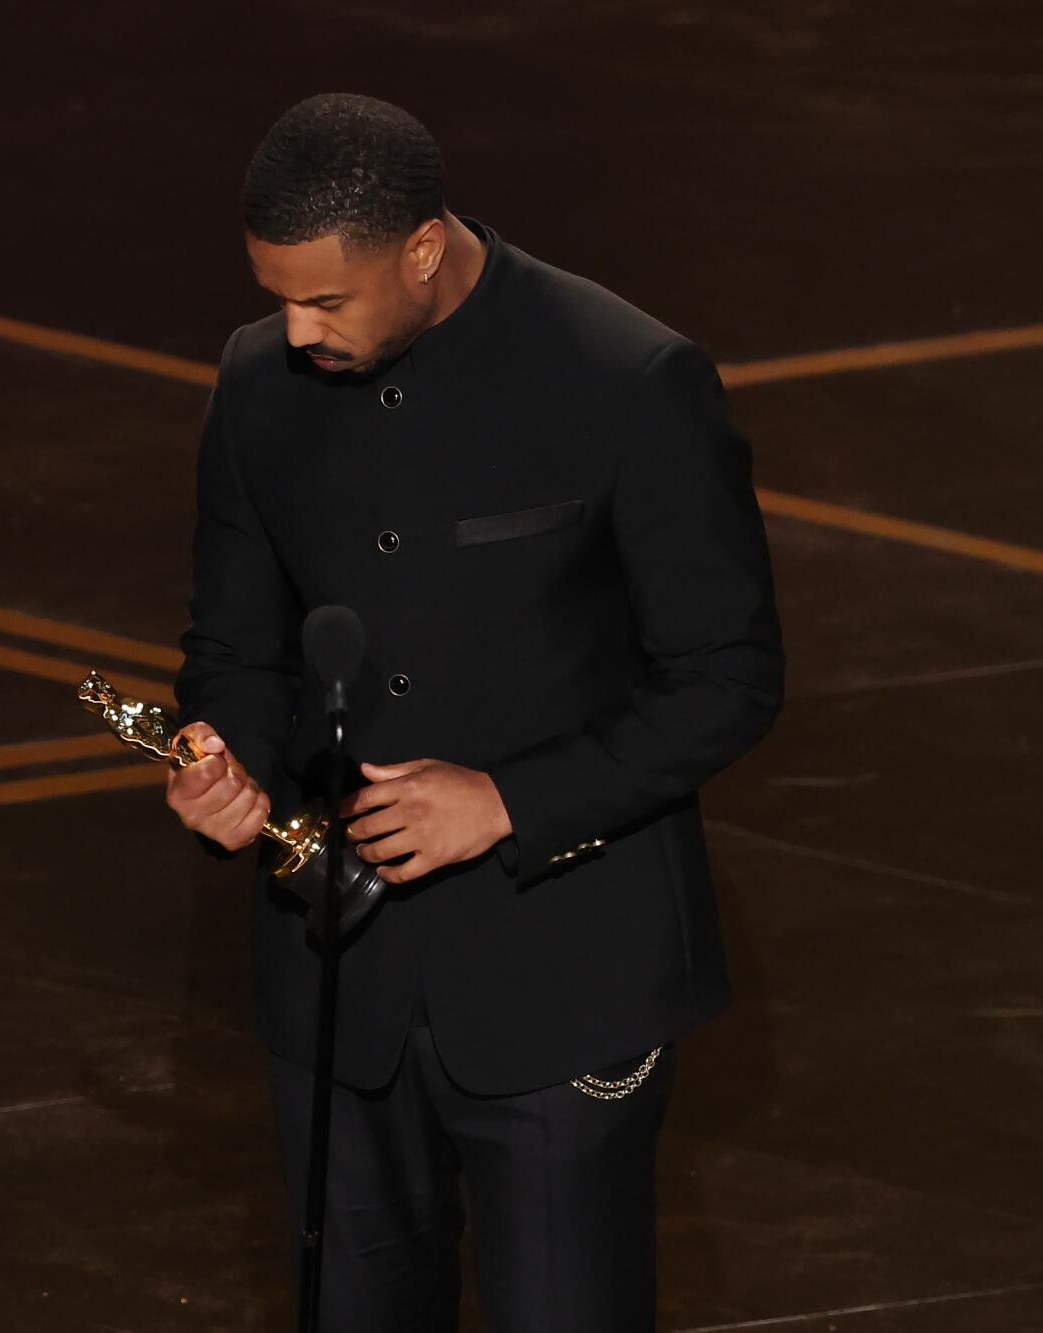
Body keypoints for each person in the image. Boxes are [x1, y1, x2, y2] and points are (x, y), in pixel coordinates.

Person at [167, 93, 784, 1331]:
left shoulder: (625, 379)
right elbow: (233, 651)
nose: (294, 331)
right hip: (336, 985)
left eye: (325, 302)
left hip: (561, 981)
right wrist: (220, 765)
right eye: (276, 295)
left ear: (423, 250)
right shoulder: (255, 382)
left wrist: (506, 801)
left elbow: (726, 673)